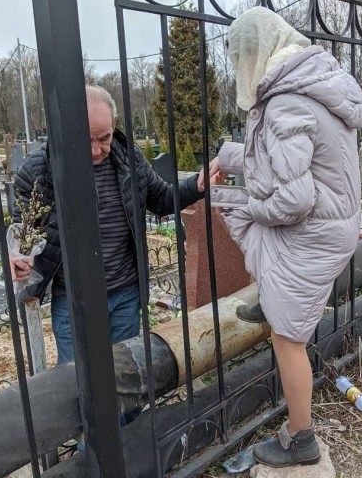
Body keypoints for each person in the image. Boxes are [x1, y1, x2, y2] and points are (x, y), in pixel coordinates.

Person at [209, 7, 362, 467]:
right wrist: (229, 158)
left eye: (242, 57)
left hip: (313, 230)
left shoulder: (285, 101)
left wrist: (245, 204)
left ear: (258, 53)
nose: (241, 68)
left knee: (287, 338)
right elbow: (284, 158)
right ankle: (275, 299)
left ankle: (301, 439)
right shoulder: (311, 84)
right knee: (264, 243)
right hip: (331, 224)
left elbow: (293, 199)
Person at [12, 84, 221, 367]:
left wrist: (196, 185)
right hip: (75, 300)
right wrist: (18, 256)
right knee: (77, 379)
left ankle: (128, 415)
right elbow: (23, 229)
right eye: (87, 140)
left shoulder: (128, 158)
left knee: (125, 374)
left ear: (114, 126)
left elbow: (161, 199)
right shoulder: (39, 169)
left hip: (124, 293)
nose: (98, 150)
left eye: (105, 138)